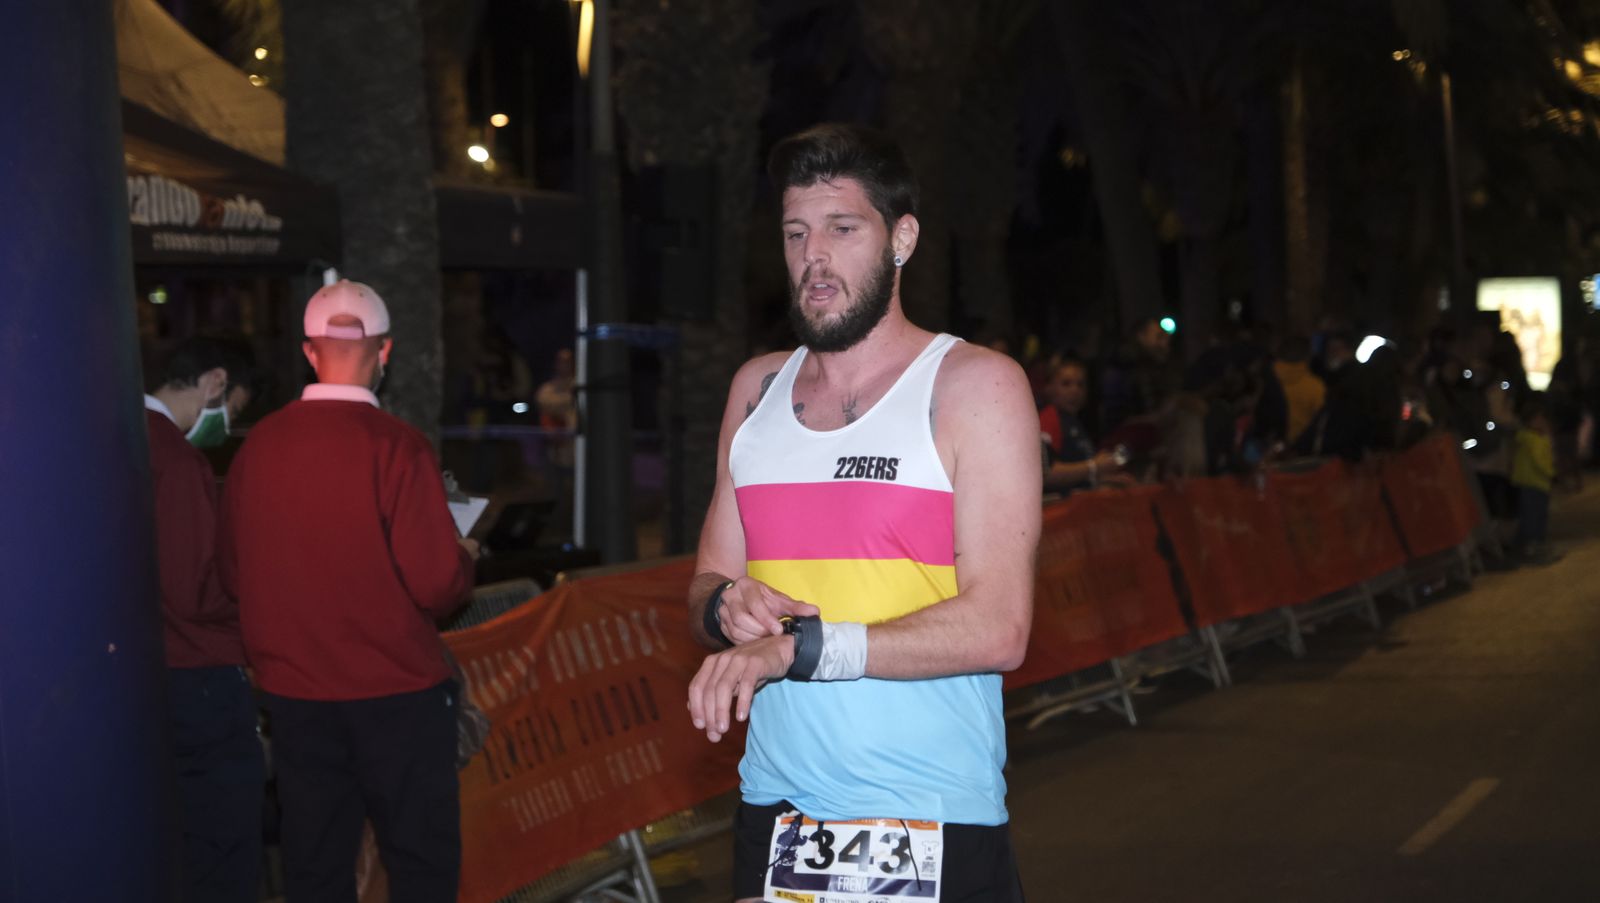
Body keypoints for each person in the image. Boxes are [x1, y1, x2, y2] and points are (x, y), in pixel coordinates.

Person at [683, 123, 1039, 903]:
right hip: (777, 810)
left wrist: (799, 651)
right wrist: (725, 603)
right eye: (796, 233)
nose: (815, 257)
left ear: (901, 238)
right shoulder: (755, 391)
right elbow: (706, 582)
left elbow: (1001, 626)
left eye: (843, 229)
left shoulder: (976, 387)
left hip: (926, 814)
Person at [219, 280, 480, 903]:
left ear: (310, 352)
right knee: (420, 864)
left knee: (314, 865)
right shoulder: (397, 448)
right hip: (398, 696)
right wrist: (465, 556)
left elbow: (233, 575)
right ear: (384, 352)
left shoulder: (257, 447)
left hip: (295, 697)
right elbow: (438, 584)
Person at [144, 335, 263, 903]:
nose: (225, 424)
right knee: (225, 843)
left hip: (151, 674)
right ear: (215, 382)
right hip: (201, 676)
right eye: (232, 408)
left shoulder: (116, 437)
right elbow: (194, 589)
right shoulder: (175, 458)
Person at [1040, 357, 1121, 492]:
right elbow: (1046, 473)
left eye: (1081, 384)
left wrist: (1106, 478)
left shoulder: (1076, 423)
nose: (1075, 390)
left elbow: (1082, 476)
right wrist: (1094, 466)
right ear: (1048, 388)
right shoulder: (1049, 418)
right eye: (1066, 384)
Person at [1511, 394, 1558, 563]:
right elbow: (1540, 461)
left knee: (1534, 514)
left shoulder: (1536, 438)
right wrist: (1551, 473)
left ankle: (1530, 544)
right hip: (1534, 482)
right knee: (1534, 515)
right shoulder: (1533, 439)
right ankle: (1532, 546)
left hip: (1536, 482)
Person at [1273, 335, 1325, 447]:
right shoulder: (1315, 387)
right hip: (1299, 451)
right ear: (1308, 356)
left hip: (1265, 448)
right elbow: (1321, 422)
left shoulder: (1265, 379)